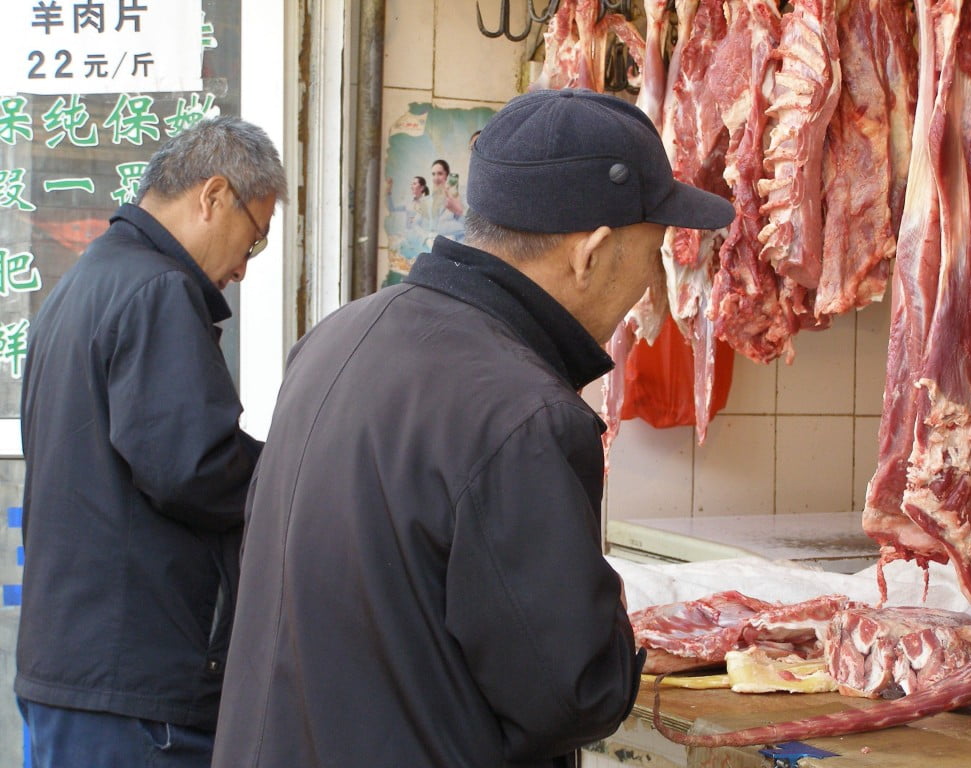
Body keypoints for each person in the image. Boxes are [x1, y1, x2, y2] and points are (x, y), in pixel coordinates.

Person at [211, 88, 733, 768]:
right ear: (593, 251)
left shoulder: (341, 334)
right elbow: (570, 694)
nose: (649, 282)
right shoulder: (524, 414)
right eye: (652, 250)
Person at [16, 115, 287, 768]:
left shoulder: (81, 286)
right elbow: (193, 468)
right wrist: (292, 472)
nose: (244, 272)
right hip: (137, 692)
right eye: (253, 241)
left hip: (75, 675)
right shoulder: (157, 289)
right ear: (214, 197)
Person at [429, 157, 465, 239]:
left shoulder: (459, 193)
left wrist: (459, 210)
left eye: (440, 173)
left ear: (447, 175)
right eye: (433, 174)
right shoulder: (434, 198)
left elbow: (467, 226)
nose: (436, 178)